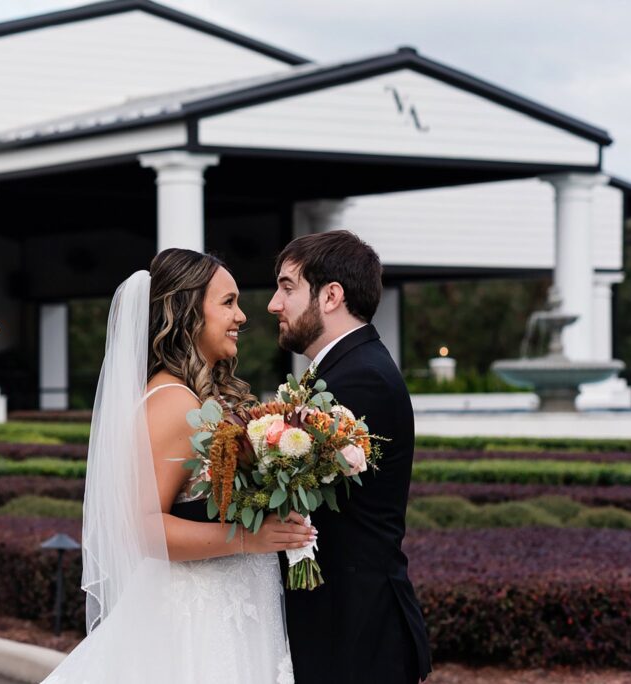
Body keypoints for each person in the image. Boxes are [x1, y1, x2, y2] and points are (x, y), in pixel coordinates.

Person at [43, 248, 312, 684]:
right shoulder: (172, 403)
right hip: (198, 623)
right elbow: (143, 527)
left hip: (235, 606)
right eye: (227, 303)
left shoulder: (199, 398)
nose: (241, 316)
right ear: (188, 314)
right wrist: (250, 538)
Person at [268, 230, 432, 684]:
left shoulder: (361, 380)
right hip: (343, 628)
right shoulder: (346, 369)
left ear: (331, 296)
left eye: (287, 287)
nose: (273, 305)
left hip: (355, 635)